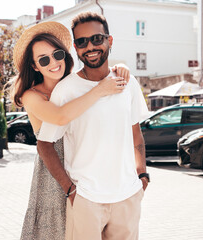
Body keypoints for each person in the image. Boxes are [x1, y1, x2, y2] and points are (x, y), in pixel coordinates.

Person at [11, 21, 130, 240]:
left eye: (57, 54)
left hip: (88, 171)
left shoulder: (75, 85)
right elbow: (60, 116)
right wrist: (100, 91)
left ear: (65, 54)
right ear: (35, 67)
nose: (53, 63)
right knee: (57, 230)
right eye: (43, 60)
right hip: (56, 173)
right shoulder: (31, 96)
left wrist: (120, 69)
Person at [37, 12, 150, 240]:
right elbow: (44, 144)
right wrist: (69, 189)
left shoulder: (128, 82)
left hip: (128, 196)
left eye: (97, 39)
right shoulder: (66, 90)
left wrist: (142, 175)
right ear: (76, 48)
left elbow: (135, 134)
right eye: (81, 42)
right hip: (86, 198)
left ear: (109, 40)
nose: (90, 46)